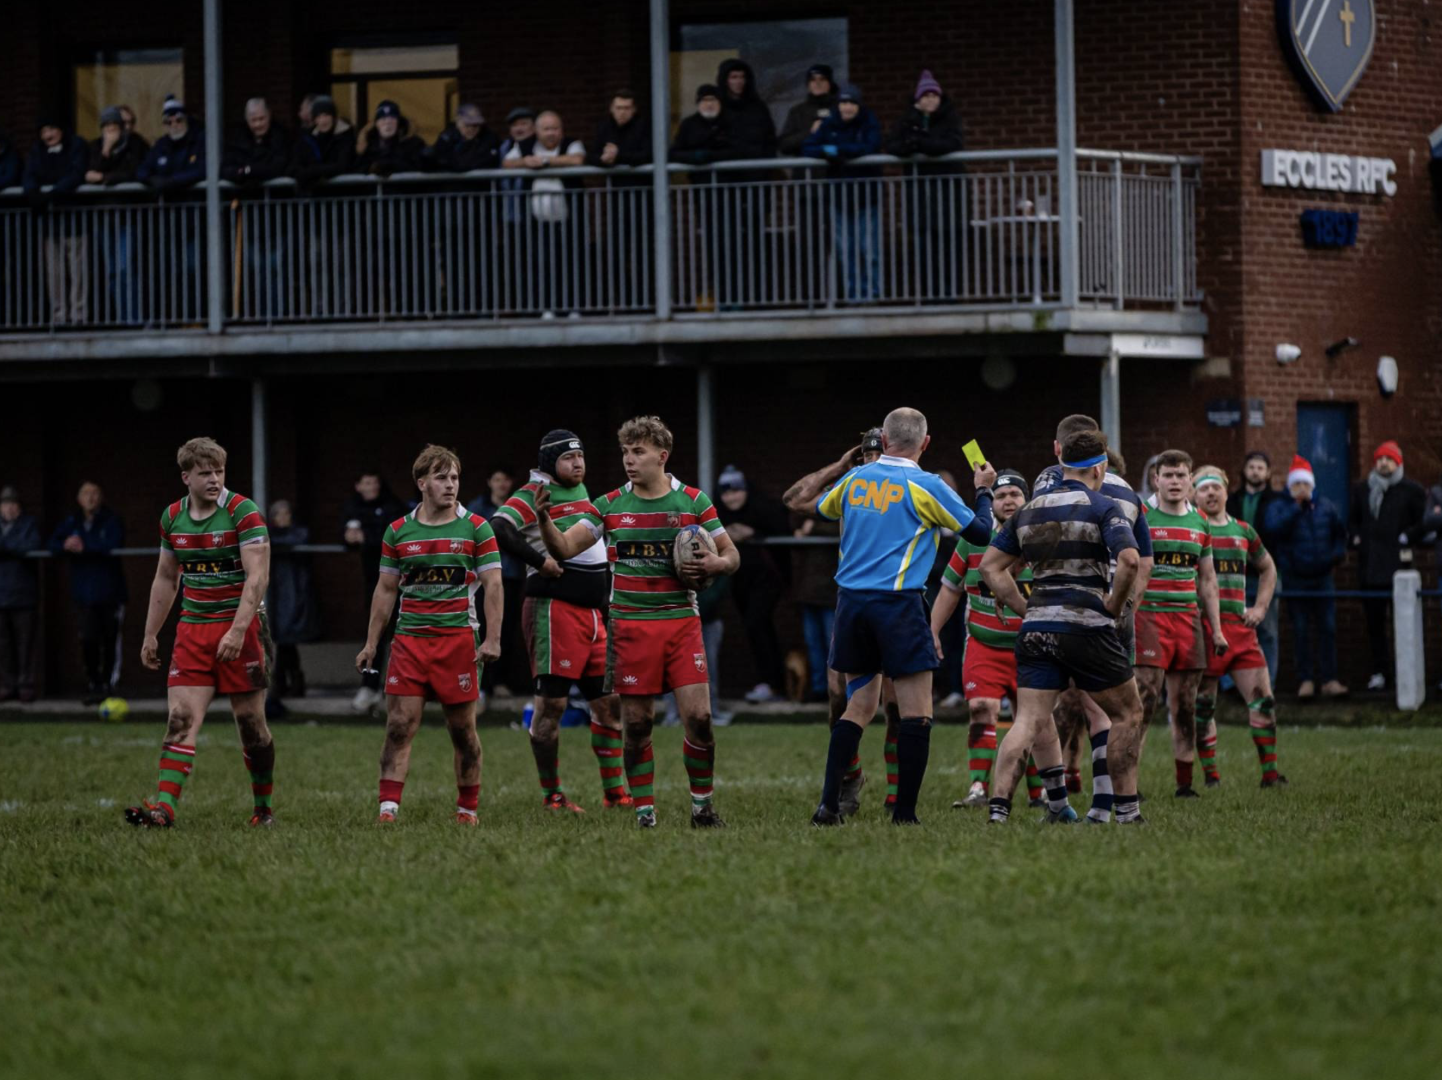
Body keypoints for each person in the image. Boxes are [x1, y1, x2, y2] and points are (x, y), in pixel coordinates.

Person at [792, 407, 995, 826]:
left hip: (851, 605)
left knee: (858, 707)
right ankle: (903, 814)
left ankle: (828, 805)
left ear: (883, 441)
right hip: (898, 605)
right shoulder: (927, 484)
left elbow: (816, 506)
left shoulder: (854, 479)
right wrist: (984, 491)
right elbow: (980, 533)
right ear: (925, 443)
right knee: (917, 713)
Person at [535, 415, 740, 829]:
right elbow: (565, 548)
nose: (629, 460)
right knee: (637, 724)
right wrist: (544, 520)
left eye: (639, 452)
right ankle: (645, 812)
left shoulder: (693, 502)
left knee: (700, 719)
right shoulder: (609, 505)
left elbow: (731, 555)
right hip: (630, 627)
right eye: (625, 452)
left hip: (681, 623)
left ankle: (702, 809)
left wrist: (716, 564)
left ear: (662, 456)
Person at [981, 428, 1146, 825]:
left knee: (1027, 720)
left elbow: (989, 567)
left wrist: (1024, 607)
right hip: (1087, 626)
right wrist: (1114, 604)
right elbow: (1130, 560)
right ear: (1100, 467)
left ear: (1062, 462)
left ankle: (998, 812)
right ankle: (1126, 812)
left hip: (1037, 628)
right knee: (1127, 713)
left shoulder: (1029, 509)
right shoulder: (1103, 506)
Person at [124, 438, 275, 828]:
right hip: (193, 631)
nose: (214, 480)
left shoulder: (243, 512)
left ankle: (263, 809)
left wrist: (237, 631)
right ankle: (164, 810)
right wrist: (150, 634)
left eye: (219, 472)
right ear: (186, 477)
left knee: (251, 726)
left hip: (242, 628)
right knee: (179, 718)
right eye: (205, 473)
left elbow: (257, 578)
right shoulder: (172, 517)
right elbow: (166, 577)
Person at [355, 446, 502, 824]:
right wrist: (371, 643)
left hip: (458, 641)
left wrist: (493, 638)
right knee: (398, 726)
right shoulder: (398, 531)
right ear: (422, 483)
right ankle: (388, 810)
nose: (450, 485)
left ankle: (467, 810)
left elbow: (494, 584)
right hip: (409, 642)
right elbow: (385, 589)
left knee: (462, 730)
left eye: (454, 477)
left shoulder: (476, 527)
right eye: (441, 478)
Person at [490, 431, 631, 812]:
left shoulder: (581, 491)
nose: (578, 463)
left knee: (609, 704)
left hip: (592, 614)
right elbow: (498, 527)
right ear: (550, 463)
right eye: (569, 458)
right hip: (553, 610)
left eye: (581, 456)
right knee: (552, 706)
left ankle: (615, 794)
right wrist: (540, 562)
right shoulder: (534, 493)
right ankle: (552, 794)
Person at [1032, 417, 1153, 819]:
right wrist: (1124, 604)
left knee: (1042, 711)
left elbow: (1033, 544)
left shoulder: (1046, 483)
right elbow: (1142, 560)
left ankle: (1043, 803)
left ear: (1058, 449)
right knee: (1117, 711)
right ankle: (1110, 807)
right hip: (1109, 608)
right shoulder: (1128, 493)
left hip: (1056, 607)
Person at [931, 470, 1047, 809]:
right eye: (1001, 496)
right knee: (982, 708)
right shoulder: (973, 539)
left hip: (1032, 648)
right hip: (983, 646)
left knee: (1035, 720)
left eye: (1015, 494)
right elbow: (949, 589)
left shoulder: (1041, 539)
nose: (1008, 501)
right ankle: (978, 789)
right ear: (991, 503)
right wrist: (932, 631)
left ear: (1027, 499)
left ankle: (1040, 794)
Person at [1134, 449, 1228, 798]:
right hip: (1149, 618)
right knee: (1143, 701)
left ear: (1190, 480)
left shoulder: (1201, 521)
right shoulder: (1141, 516)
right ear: (1155, 479)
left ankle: (1185, 784)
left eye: (1181, 475)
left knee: (1186, 704)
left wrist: (1216, 629)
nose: (1174, 482)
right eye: (1168, 475)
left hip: (1188, 621)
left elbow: (1208, 580)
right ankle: (1129, 785)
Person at [1192, 467, 1288, 788]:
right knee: (1204, 705)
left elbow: (1268, 568)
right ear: (1194, 494)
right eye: (1203, 488)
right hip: (1203, 630)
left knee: (1263, 699)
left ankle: (1270, 775)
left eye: (1216, 487)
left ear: (1226, 491)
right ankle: (1211, 776)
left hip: (1240, 629)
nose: (1211, 493)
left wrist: (1260, 608)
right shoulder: (1190, 530)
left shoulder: (1244, 531)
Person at [1265, 455, 1349, 699]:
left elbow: (1340, 534)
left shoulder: (1325, 506)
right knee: (1300, 630)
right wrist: (1295, 508)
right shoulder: (1281, 507)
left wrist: (1335, 556)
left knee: (1328, 628)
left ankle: (1330, 679)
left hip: (1323, 578)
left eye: (1305, 484)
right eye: (1297, 484)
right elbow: (1273, 530)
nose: (1302, 488)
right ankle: (1305, 680)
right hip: (1295, 579)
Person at [1348, 441, 1427, 690]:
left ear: (1398, 462)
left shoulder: (1411, 490)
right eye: (1380, 459)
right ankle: (1381, 672)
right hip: (1370, 567)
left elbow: (1423, 522)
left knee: (1404, 622)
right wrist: (1356, 538)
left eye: (1389, 459)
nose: (1384, 463)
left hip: (1398, 567)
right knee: (1375, 624)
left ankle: (1406, 672)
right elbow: (1353, 520)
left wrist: (1407, 537)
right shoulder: (1363, 490)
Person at [885, 70, 965, 299]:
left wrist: (920, 143)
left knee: (949, 248)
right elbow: (893, 146)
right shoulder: (907, 120)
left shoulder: (950, 118)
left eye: (934, 96)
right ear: (918, 99)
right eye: (926, 96)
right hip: (920, 197)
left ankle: (950, 295)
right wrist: (913, 144)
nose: (930, 100)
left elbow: (952, 144)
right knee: (924, 249)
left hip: (948, 195)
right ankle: (930, 294)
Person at [715, 465, 790, 704]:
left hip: (767, 578)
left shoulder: (763, 508)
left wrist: (754, 532)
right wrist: (726, 534)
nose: (731, 498)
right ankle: (769, 683)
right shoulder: (719, 514)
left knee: (757, 623)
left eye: (736, 491)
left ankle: (774, 684)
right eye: (726, 493)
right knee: (754, 628)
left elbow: (782, 526)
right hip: (739, 581)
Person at [48, 481, 127, 704]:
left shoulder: (111, 519)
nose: (90, 498)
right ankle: (94, 682)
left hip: (111, 593)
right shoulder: (72, 522)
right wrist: (66, 544)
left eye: (94, 493)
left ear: (101, 497)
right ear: (79, 499)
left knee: (110, 640)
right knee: (88, 639)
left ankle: (109, 684)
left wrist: (84, 546)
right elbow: (52, 543)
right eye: (85, 494)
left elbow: (112, 543)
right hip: (84, 594)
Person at [803, 85, 882, 303]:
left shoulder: (869, 121)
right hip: (839, 197)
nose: (847, 107)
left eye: (852, 103)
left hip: (866, 196)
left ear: (859, 105)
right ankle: (853, 295)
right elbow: (808, 147)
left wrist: (839, 150)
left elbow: (870, 146)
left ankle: (871, 295)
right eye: (844, 103)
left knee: (869, 249)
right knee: (846, 250)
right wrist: (828, 151)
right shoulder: (830, 123)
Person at [503, 110, 587, 316]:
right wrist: (525, 162)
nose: (551, 133)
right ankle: (546, 307)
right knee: (541, 263)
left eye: (555, 128)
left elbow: (577, 160)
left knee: (571, 262)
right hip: (536, 219)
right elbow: (507, 163)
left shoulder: (572, 143)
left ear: (562, 130)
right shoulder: (525, 145)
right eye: (546, 129)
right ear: (536, 131)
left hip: (568, 217)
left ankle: (573, 307)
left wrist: (545, 162)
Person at [342, 468, 407, 714]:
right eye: (366, 482)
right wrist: (349, 536)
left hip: (400, 582)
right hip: (375, 583)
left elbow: (391, 539)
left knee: (401, 635)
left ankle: (402, 686)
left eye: (374, 482)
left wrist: (367, 538)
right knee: (375, 634)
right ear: (358, 486)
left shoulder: (393, 508)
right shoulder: (352, 507)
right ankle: (370, 687)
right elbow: (346, 535)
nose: (371, 487)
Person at [715, 59, 777, 306]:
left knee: (755, 244)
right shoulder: (717, 109)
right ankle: (728, 298)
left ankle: (756, 298)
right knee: (726, 244)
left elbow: (769, 143)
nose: (738, 82)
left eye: (741, 77)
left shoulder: (758, 108)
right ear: (725, 80)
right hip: (725, 189)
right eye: (733, 77)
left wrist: (763, 175)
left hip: (755, 186)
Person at [466, 468, 529, 698]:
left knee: (507, 627)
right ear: (489, 482)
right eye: (497, 479)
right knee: (482, 626)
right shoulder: (477, 507)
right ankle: (482, 683)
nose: (501, 484)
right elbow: (471, 538)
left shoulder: (519, 506)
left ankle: (501, 680)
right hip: (483, 577)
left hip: (510, 576)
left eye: (506, 479)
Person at [23, 116, 90, 325]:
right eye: (44, 131)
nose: (48, 135)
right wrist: (33, 193)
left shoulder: (75, 146)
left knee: (78, 272)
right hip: (49, 223)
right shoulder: (37, 151)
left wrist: (54, 193)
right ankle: (59, 315)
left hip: (74, 220)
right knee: (54, 272)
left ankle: (79, 315)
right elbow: (29, 175)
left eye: (51, 129)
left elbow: (76, 173)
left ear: (61, 130)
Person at [1227, 451, 1285, 683]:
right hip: (1234, 574)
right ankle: (1235, 684)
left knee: (1267, 631)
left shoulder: (1277, 501)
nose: (1255, 472)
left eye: (1260, 468)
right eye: (1251, 467)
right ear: (1244, 470)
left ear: (1268, 473)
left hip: (1265, 573)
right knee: (1233, 629)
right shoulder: (1232, 500)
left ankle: (1267, 683)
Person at [85, 106, 148, 321]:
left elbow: (134, 172)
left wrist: (105, 178)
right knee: (112, 272)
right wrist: (106, 149)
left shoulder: (135, 144)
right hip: (104, 217)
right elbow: (89, 172)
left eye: (114, 127)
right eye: (107, 127)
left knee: (125, 269)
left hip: (127, 217)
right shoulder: (96, 146)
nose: (110, 131)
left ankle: (133, 318)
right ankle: (121, 317)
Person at [265, 499, 319, 718]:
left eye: (286, 513)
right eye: (278, 514)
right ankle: (285, 682)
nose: (283, 518)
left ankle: (288, 681)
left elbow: (296, 540)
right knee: (280, 640)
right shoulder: (269, 535)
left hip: (293, 592)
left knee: (286, 640)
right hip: (275, 592)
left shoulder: (298, 534)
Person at [0, 486, 41, 703]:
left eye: (13, 504)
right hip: (1, 595)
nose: (10, 508)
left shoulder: (28, 524)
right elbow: (19, 548)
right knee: (3, 644)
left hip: (23, 595)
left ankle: (26, 685)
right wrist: (14, 549)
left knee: (25, 643)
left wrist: (6, 548)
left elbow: (30, 546)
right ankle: (7, 685)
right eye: (6, 504)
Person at [138, 97, 206, 192]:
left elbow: (202, 170)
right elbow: (142, 170)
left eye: (178, 120)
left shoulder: (198, 142)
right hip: (167, 199)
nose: (174, 125)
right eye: (168, 122)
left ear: (186, 120)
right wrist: (151, 179)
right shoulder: (161, 145)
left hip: (192, 197)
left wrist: (172, 181)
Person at [221, 97, 291, 186]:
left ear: (269, 115)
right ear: (246, 119)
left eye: (262, 119)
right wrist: (245, 172)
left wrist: (248, 171)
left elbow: (279, 166)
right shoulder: (237, 139)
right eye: (253, 120)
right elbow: (226, 170)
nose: (258, 124)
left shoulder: (280, 137)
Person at [291, 96, 357, 185]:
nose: (323, 121)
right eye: (318, 116)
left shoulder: (345, 137)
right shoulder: (308, 139)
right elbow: (295, 166)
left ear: (333, 117)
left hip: (341, 189)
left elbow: (343, 165)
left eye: (326, 115)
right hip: (313, 191)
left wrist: (313, 172)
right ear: (314, 120)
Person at [778, 64, 837, 156]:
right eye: (813, 80)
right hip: (805, 164)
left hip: (835, 163)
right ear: (808, 85)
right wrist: (810, 132)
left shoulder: (841, 109)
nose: (817, 83)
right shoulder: (797, 111)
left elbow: (851, 139)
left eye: (822, 79)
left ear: (830, 84)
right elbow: (784, 145)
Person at [356, 100, 426, 177]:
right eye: (383, 119)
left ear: (399, 122)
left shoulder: (414, 144)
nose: (387, 122)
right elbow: (357, 171)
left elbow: (419, 169)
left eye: (392, 118)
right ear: (376, 124)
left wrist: (391, 165)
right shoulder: (366, 146)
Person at [428, 103, 501, 174]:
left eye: (476, 125)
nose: (471, 129)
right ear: (458, 122)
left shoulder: (488, 138)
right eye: (467, 124)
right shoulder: (447, 136)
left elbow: (482, 162)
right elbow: (436, 160)